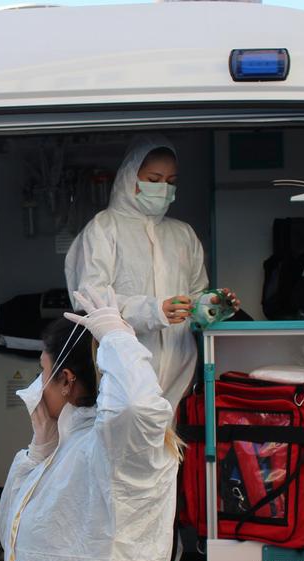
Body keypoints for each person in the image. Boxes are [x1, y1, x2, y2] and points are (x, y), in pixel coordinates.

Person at [0, 286, 180, 561]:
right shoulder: (69, 444)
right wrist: (38, 455)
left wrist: (116, 338)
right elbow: (13, 536)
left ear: (66, 380)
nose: (37, 384)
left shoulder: (116, 446)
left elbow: (135, 406)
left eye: (42, 371)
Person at [64, 133, 239, 409]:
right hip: (123, 373)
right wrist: (153, 311)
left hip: (179, 371)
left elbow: (194, 296)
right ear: (129, 177)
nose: (163, 188)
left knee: (168, 435)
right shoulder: (104, 228)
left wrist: (211, 305)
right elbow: (91, 300)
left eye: (171, 181)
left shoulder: (183, 234)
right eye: (154, 180)